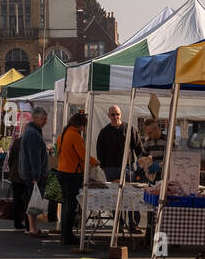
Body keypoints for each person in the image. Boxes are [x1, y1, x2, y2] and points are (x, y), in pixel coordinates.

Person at [96, 105, 147, 234]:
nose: (115, 117)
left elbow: (138, 148)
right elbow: (99, 151)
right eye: (113, 114)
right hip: (111, 169)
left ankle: (133, 224)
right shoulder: (104, 132)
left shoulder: (129, 129)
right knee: (115, 198)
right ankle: (119, 224)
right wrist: (104, 167)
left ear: (121, 114)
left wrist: (141, 163)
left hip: (128, 168)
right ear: (109, 116)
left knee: (131, 197)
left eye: (117, 114)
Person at [55, 111, 100, 247]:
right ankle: (68, 236)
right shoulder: (75, 136)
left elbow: (58, 152)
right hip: (72, 174)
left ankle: (65, 234)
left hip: (62, 171)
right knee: (71, 206)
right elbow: (83, 155)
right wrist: (95, 161)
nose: (84, 129)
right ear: (79, 125)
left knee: (65, 206)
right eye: (83, 126)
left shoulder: (63, 134)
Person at [18, 106, 49, 237]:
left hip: (29, 173)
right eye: (43, 119)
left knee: (32, 200)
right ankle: (32, 228)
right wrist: (36, 175)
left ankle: (32, 227)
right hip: (32, 174)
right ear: (35, 118)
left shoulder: (32, 131)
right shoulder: (33, 133)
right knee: (33, 201)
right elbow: (34, 156)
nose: (45, 122)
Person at [6, 136, 28, 230]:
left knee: (17, 199)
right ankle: (27, 223)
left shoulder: (17, 142)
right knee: (27, 200)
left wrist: (11, 171)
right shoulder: (31, 141)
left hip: (15, 174)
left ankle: (17, 222)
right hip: (26, 175)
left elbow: (10, 158)